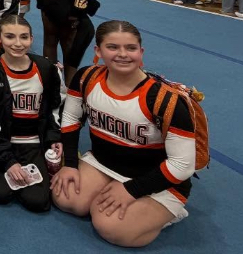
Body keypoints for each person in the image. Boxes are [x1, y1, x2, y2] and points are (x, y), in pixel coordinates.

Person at [52, 20, 196, 247]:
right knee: (66, 198)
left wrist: (132, 190)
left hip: (156, 179)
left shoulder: (165, 100)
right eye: (112, 47)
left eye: (131, 48)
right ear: (98, 51)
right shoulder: (87, 77)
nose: (122, 54)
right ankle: (107, 189)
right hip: (103, 163)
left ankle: (170, 212)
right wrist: (69, 163)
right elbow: (70, 117)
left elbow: (183, 165)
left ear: (141, 52)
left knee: (110, 227)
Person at [0, 15, 62, 212]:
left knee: (37, 201)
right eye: (10, 36)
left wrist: (54, 137)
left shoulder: (46, 69)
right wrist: (8, 161)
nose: (18, 43)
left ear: (31, 39)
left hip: (32, 142)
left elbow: (55, 108)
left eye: (24, 37)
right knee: (0, 193)